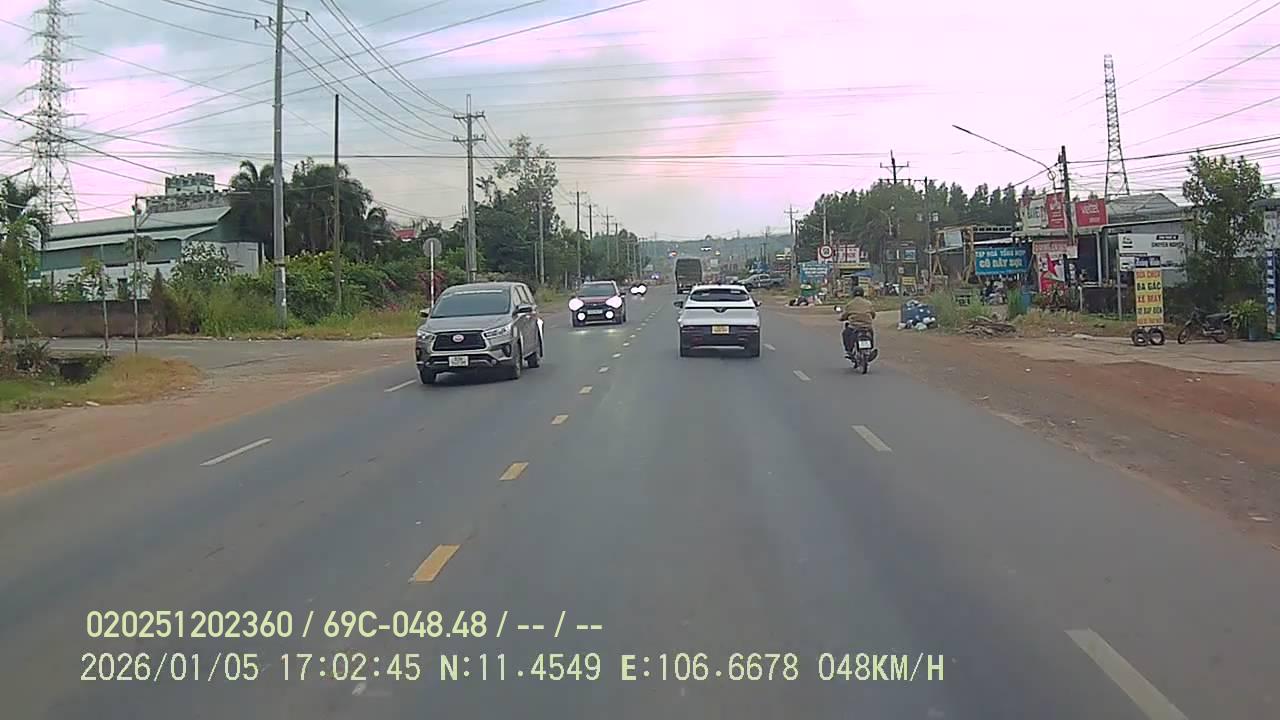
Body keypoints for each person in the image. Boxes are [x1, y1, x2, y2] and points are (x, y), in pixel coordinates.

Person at [840, 287, 876, 359]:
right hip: (867, 326)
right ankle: (870, 349)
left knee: (845, 334)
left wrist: (841, 318)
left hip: (854, 327)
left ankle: (849, 351)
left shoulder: (850, 304)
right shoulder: (868, 303)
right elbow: (873, 314)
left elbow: (844, 315)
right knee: (871, 333)